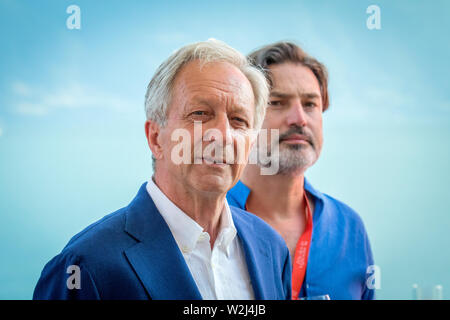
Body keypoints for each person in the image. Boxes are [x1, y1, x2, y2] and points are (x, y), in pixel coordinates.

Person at [33, 39, 291, 300]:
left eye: (238, 120)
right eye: (200, 113)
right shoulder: (85, 265)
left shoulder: (270, 248)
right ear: (156, 138)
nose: (223, 135)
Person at [227, 42, 375, 300]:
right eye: (277, 102)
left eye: (310, 104)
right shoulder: (207, 221)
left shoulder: (348, 228)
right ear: (242, 119)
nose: (299, 118)